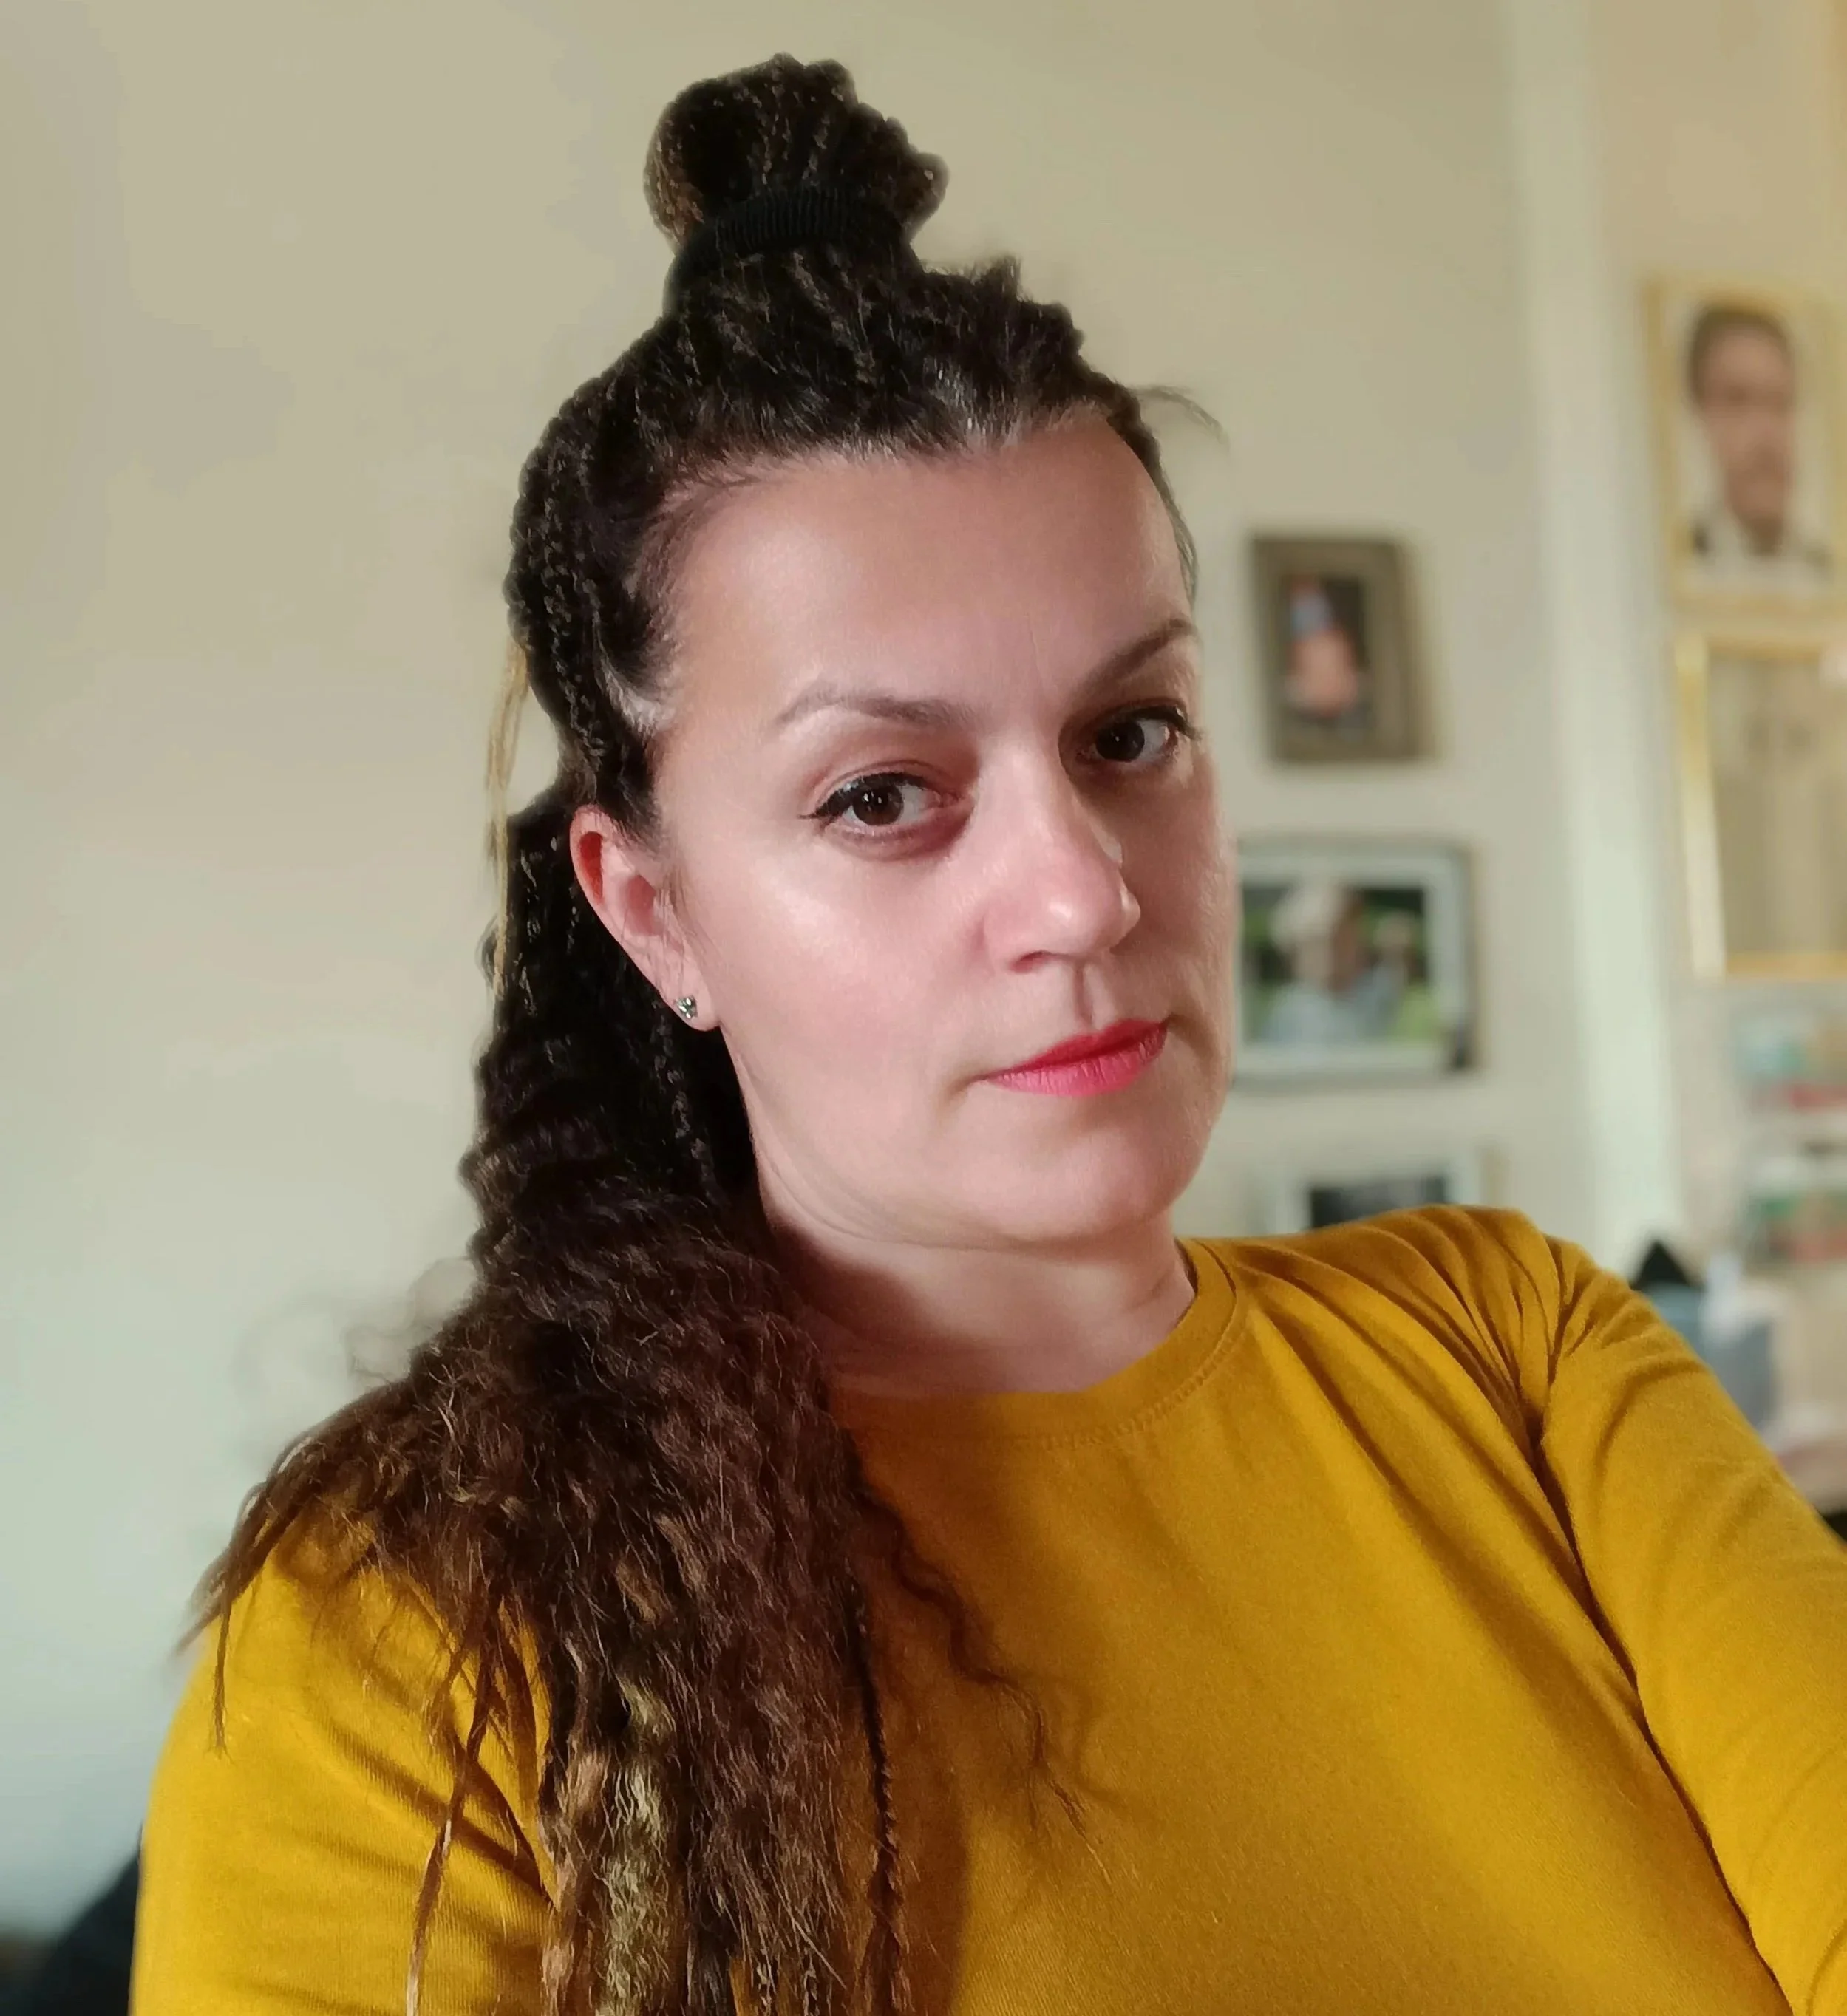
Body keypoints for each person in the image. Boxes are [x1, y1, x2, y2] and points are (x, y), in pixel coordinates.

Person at [130, 55, 1847, 2016]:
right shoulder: (411, 1634)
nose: (1084, 896)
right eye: (882, 793)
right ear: (654, 908)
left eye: (1130, 733)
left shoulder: (1518, 1356)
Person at [1684, 302, 1834, 590]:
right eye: (1738, 401)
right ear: (1700, 414)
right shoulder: (1686, 559)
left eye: (1779, 402)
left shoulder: (1826, 572)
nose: (1766, 433)